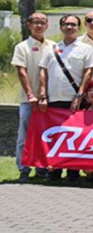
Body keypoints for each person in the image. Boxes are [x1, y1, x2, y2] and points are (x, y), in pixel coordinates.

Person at [12, 12, 54, 182]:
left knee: (45, 136)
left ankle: (41, 168)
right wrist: (30, 94)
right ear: (29, 25)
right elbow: (21, 72)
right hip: (28, 100)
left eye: (42, 22)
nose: (39, 25)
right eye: (36, 22)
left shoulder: (53, 46)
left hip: (49, 100)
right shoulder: (22, 47)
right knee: (25, 136)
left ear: (47, 26)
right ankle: (23, 168)